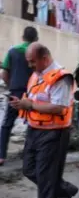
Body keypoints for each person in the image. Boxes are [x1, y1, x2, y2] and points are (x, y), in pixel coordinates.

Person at [9, 43, 79, 198]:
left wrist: (29, 105)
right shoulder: (36, 75)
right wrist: (22, 105)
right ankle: (64, 190)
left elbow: (58, 107)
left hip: (53, 133)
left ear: (44, 58)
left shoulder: (60, 77)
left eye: (32, 61)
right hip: (34, 130)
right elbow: (35, 99)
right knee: (29, 169)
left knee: (46, 176)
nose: (30, 65)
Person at [0, 26, 38, 166]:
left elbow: (4, 74)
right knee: (33, 123)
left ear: (23, 37)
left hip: (15, 92)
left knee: (7, 124)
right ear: (36, 39)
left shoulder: (12, 51)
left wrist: (11, 85)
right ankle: (29, 155)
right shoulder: (38, 52)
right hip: (33, 93)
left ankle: (1, 156)